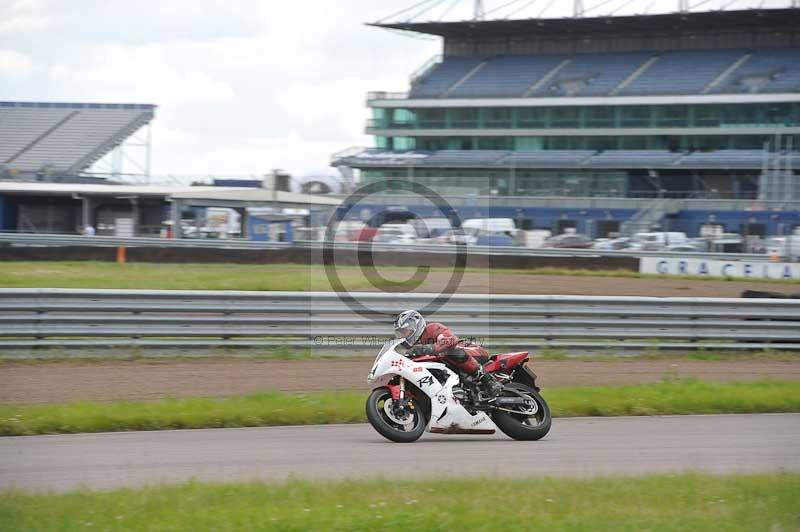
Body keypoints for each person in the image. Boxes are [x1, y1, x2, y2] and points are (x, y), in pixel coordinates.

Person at [393, 309, 502, 399]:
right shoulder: (413, 349)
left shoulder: (432, 329)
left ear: (414, 326)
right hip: (453, 368)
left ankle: (489, 380)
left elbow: (450, 340)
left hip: (472, 351)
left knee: (450, 352)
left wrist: (429, 348)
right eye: (401, 333)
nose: (404, 336)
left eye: (405, 331)